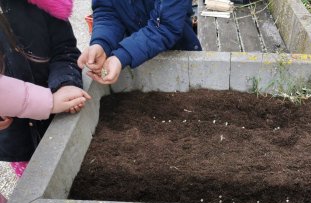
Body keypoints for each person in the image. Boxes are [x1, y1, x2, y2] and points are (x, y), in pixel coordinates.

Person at [0, 0, 88, 178]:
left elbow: (65, 50)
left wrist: (66, 83)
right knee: (35, 185)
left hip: (59, 119)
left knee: (75, 174)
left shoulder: (46, 4)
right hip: (17, 138)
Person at [78, 0, 202, 85]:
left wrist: (123, 55)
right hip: (133, 59)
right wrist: (101, 43)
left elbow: (165, 26)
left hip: (177, 55)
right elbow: (107, 12)